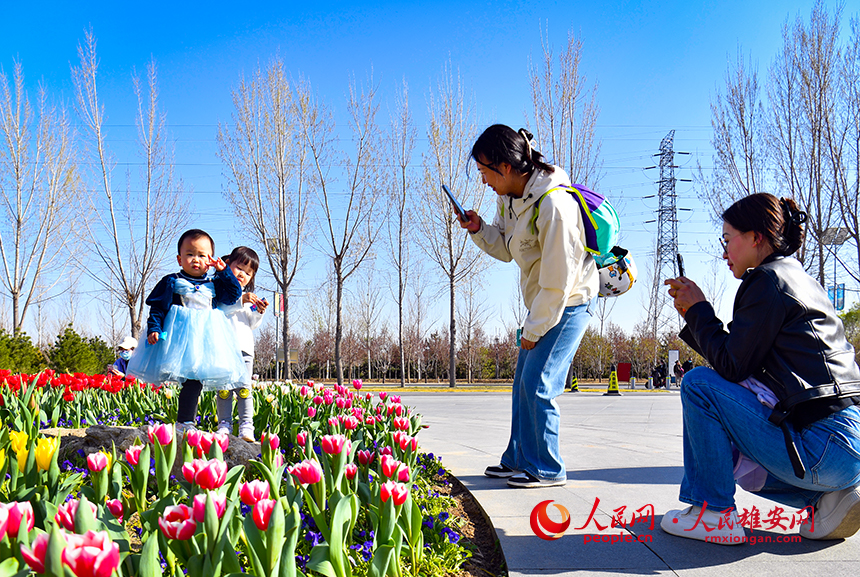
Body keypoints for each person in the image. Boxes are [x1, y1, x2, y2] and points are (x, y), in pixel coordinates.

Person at [662, 193, 860, 543]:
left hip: (824, 443)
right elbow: (742, 360)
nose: (723, 252)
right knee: (738, 459)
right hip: (847, 441)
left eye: (727, 239)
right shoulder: (797, 278)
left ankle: (713, 513)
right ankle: (829, 498)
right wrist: (695, 316)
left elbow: (731, 366)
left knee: (697, 384)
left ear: (756, 237)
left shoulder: (766, 280)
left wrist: (699, 311)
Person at [457, 124, 597, 488]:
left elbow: (559, 281)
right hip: (544, 302)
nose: (483, 180)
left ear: (505, 167)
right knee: (523, 382)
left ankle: (548, 468)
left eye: (484, 171)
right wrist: (478, 229)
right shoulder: (511, 199)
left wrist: (533, 330)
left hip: (569, 301)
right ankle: (519, 458)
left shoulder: (554, 205)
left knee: (539, 383)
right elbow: (506, 249)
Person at [126, 229, 248, 435]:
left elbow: (234, 294)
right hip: (179, 339)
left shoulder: (215, 284)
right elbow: (158, 308)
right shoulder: (171, 281)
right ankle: (183, 420)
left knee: (196, 380)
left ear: (210, 259)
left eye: (202, 255)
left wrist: (224, 271)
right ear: (179, 258)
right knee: (188, 380)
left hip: (206, 340)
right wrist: (154, 328)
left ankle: (186, 420)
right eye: (190, 254)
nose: (196, 260)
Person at [216, 246, 268, 441]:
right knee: (224, 389)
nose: (243, 275)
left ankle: (246, 424)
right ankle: (224, 424)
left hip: (244, 349)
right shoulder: (219, 290)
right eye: (239, 268)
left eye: (248, 273)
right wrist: (241, 300)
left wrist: (258, 312)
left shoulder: (249, 296)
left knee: (244, 388)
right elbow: (222, 310)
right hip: (222, 348)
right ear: (228, 264)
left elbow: (252, 324)